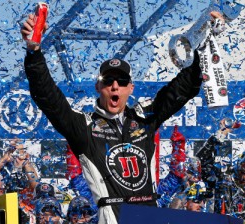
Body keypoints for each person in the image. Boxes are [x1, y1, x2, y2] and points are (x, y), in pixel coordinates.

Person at [21, 11, 225, 224]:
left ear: (130, 88)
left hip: (149, 215)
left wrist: (204, 38)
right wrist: (34, 51)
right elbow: (48, 98)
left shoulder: (145, 117)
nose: (115, 85)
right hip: (112, 216)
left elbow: (183, 88)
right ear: (98, 87)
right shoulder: (84, 126)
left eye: (121, 80)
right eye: (108, 80)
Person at [195, 118, 245, 223]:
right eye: (242, 172)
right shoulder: (222, 177)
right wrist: (220, 134)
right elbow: (201, 161)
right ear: (238, 164)